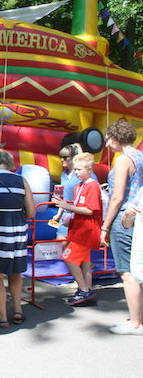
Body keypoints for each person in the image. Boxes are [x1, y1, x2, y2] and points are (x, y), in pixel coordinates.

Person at [0, 150, 35, 328]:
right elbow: (32, 212)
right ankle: (18, 310)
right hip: (16, 232)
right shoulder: (21, 181)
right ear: (10, 164)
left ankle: (2, 316)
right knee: (15, 271)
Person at [101, 120, 143, 335]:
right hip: (138, 216)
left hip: (124, 217)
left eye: (108, 138)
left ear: (116, 138)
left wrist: (105, 226)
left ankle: (135, 322)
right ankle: (137, 317)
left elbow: (117, 197)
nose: (107, 143)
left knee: (127, 272)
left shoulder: (123, 160)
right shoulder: (140, 156)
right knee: (137, 267)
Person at [52, 153, 102, 306]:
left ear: (90, 169)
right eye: (76, 169)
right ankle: (87, 290)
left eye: (80, 169)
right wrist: (64, 210)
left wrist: (67, 207)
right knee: (85, 262)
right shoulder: (79, 186)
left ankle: (84, 290)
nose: (77, 172)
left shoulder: (92, 185)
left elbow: (90, 210)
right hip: (78, 229)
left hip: (86, 231)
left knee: (68, 257)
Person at [51, 144, 86, 239]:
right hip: (65, 217)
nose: (62, 159)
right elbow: (64, 197)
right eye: (60, 157)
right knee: (60, 245)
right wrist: (58, 214)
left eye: (65, 157)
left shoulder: (82, 174)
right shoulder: (63, 175)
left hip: (79, 217)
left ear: (74, 158)